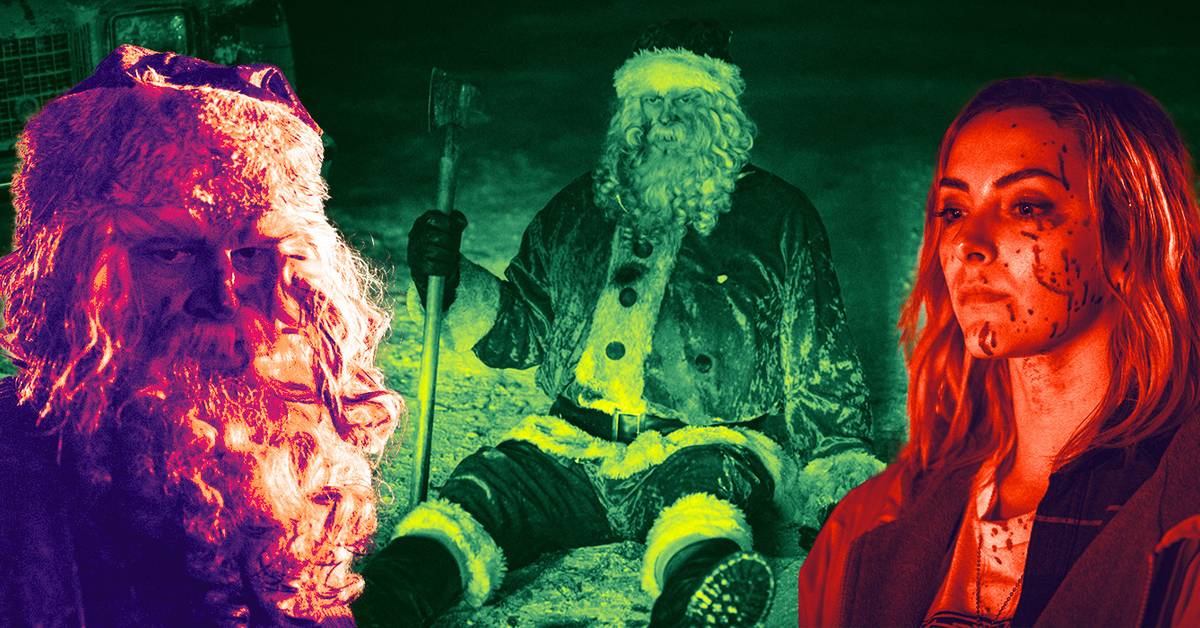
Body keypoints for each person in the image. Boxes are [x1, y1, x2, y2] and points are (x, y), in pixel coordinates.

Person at [355, 19, 881, 627]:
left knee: (704, 510)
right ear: (628, 112)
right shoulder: (581, 208)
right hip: (571, 443)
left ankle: (696, 599)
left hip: (704, 442)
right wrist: (448, 279)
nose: (665, 118)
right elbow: (525, 332)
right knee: (484, 491)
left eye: (686, 100)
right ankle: (394, 592)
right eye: (649, 101)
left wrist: (837, 476)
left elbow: (821, 360)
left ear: (722, 112)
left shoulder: (777, 217)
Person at [0, 45, 404, 626]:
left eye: (252, 253)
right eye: (171, 252)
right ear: (74, 273)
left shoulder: (283, 432)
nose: (224, 295)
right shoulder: (18, 481)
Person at [797, 76, 1200, 626]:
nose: (969, 243)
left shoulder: (1183, 519)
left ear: (1128, 238)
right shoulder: (864, 528)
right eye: (954, 211)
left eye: (1026, 206)